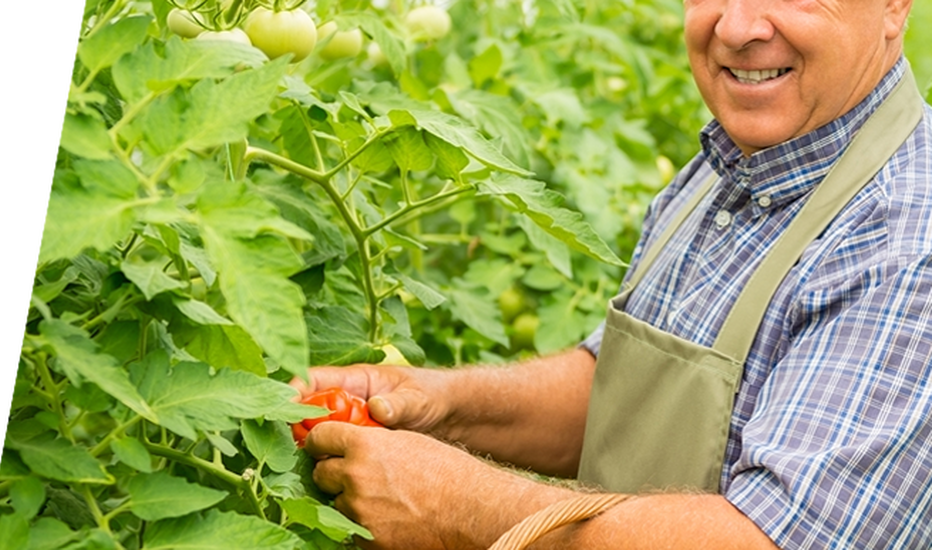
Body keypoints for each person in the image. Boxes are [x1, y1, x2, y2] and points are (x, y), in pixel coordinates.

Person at [292, 0, 931, 547]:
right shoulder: (738, 160)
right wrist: (438, 406)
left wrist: (462, 507)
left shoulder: (905, 242)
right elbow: (624, 392)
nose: (736, 27)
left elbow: (765, 541)